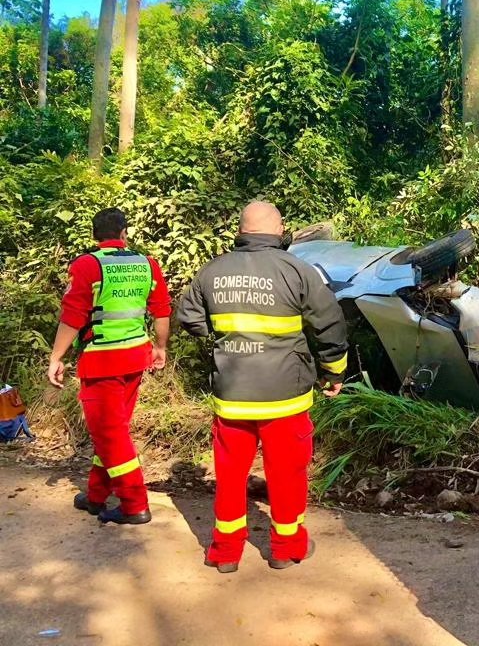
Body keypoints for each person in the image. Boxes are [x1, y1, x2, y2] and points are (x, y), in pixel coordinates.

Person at [177, 201, 348, 573]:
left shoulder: (213, 270)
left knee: (229, 475)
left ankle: (225, 553)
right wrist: (334, 370)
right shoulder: (297, 270)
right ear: (279, 229)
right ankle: (286, 548)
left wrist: (222, 338)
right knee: (287, 473)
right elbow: (330, 323)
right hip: (285, 396)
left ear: (241, 230)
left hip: (232, 398)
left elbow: (188, 315)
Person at [46, 207, 172, 525]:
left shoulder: (87, 265)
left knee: (111, 435)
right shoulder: (147, 264)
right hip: (134, 359)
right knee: (111, 432)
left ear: (94, 236)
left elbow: (73, 316)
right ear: (124, 234)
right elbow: (161, 311)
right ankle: (96, 495)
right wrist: (160, 347)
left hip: (101, 362)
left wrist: (55, 357)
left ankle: (134, 504)